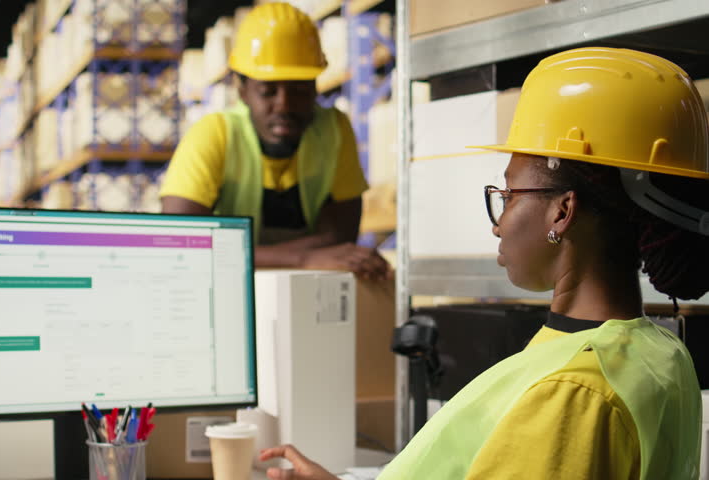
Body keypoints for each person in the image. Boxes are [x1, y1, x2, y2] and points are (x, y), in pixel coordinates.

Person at [259, 47, 707, 479]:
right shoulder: (662, 354)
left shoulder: (572, 394)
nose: (499, 224)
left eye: (509, 195)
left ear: (562, 211)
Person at [160, 3, 390, 279]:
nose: (284, 105)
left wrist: (232, 251)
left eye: (300, 89)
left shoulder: (334, 130)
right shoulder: (214, 134)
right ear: (242, 89)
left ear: (316, 86)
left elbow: (340, 238)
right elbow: (181, 242)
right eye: (268, 91)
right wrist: (303, 257)